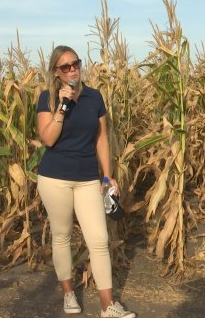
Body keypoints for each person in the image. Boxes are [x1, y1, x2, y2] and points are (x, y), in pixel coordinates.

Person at [36, 45, 136, 318]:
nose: (72, 70)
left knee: (99, 239)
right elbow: (48, 138)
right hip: (54, 178)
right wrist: (62, 107)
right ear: (56, 72)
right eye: (65, 67)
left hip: (88, 178)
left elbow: (101, 138)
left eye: (75, 64)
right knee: (62, 235)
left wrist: (107, 175)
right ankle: (68, 294)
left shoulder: (94, 97)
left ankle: (108, 306)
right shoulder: (47, 98)